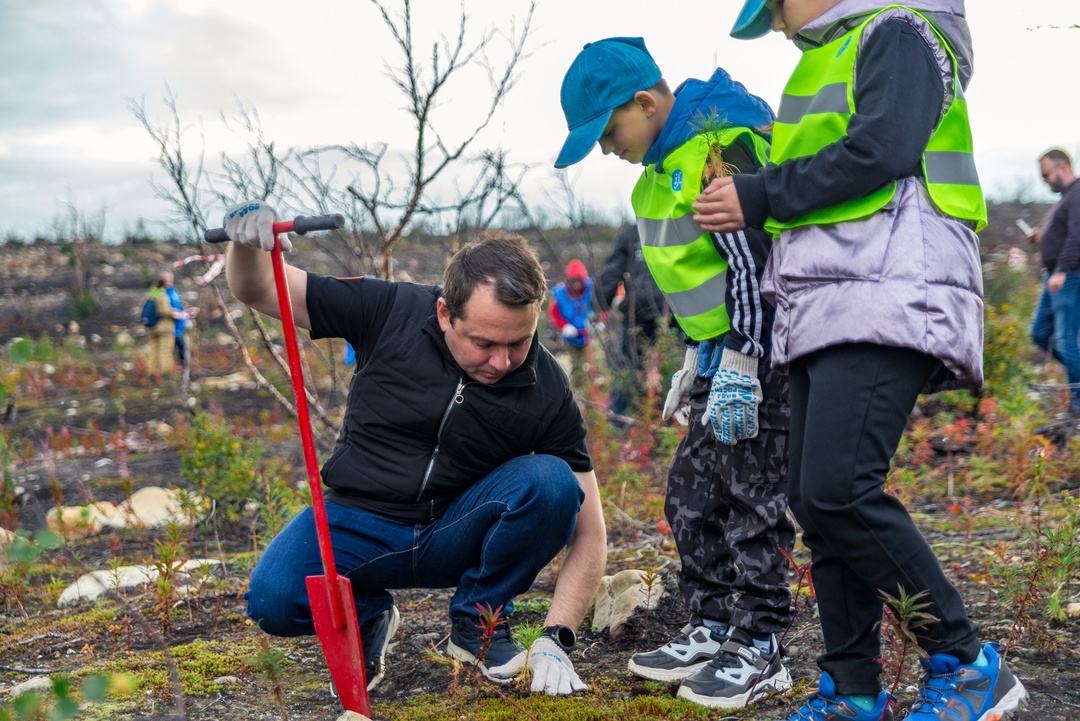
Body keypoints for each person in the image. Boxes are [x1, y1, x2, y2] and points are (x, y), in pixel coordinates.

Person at [692, 2, 1028, 720]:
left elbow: (885, 148)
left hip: (891, 282)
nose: (777, 25)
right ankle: (852, 690)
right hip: (829, 297)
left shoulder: (899, 32)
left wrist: (758, 194)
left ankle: (969, 663)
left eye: (775, 8)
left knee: (842, 489)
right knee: (818, 502)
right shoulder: (827, 55)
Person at [221, 203, 607, 697]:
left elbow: (590, 528)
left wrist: (556, 636)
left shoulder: (546, 385)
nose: (502, 361)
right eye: (484, 342)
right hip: (360, 522)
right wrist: (248, 244)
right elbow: (260, 287)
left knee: (552, 483)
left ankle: (478, 627)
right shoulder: (387, 310)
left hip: (456, 528)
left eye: (520, 342)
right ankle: (373, 614)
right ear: (445, 313)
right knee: (273, 600)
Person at [556, 37, 794, 709]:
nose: (606, 148)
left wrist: (744, 357)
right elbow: (701, 282)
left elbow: (753, 262)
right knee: (691, 494)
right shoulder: (659, 175)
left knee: (753, 499)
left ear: (646, 101)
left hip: (765, 352)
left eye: (608, 131)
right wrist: (701, 355)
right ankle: (712, 622)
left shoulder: (716, 147)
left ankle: (761, 642)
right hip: (722, 352)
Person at [596, 224, 672, 418]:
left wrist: (598, 305)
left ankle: (621, 422)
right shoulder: (675, 225)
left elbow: (612, 271)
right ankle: (667, 421)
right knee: (673, 367)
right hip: (672, 309)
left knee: (627, 369)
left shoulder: (632, 233)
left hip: (638, 309)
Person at [1026, 148, 1080, 416]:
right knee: (1039, 333)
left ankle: (1078, 403)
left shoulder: (1078, 193)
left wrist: (1062, 269)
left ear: (1062, 168)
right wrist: (1042, 238)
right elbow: (1062, 234)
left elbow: (1077, 235)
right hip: (1055, 277)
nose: (1045, 181)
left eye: (1046, 175)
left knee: (1065, 339)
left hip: (1067, 277)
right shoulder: (1065, 199)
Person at [549, 258, 595, 392]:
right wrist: (564, 326)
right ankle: (577, 393)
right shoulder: (560, 294)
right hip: (571, 338)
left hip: (591, 336)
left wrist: (598, 322)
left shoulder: (592, 289)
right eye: (573, 281)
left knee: (595, 366)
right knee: (576, 368)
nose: (576, 284)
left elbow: (603, 306)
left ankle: (596, 393)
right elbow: (554, 314)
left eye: (578, 281)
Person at [162, 271, 199, 377]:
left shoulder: (173, 291)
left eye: (170, 279)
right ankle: (169, 373)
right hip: (170, 328)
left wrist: (186, 312)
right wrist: (173, 314)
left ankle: (184, 370)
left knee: (183, 348)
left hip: (181, 325)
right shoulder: (162, 294)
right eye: (166, 280)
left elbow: (179, 307)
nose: (169, 282)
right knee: (171, 350)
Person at [145, 276, 176, 384]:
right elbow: (163, 311)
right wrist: (174, 313)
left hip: (152, 328)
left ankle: (151, 374)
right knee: (165, 352)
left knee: (153, 352)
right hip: (164, 328)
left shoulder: (151, 294)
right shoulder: (162, 295)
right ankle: (166, 375)